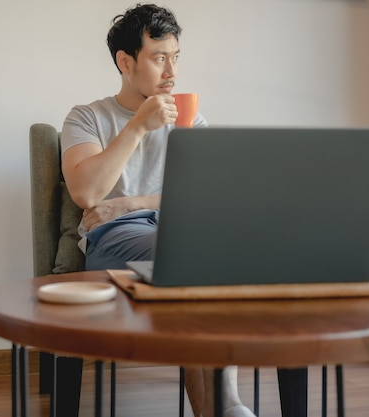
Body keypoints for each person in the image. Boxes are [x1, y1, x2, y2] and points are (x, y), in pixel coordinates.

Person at [60, 4, 256, 417]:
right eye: (160, 58)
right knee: (195, 257)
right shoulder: (87, 118)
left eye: (176, 57)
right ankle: (225, 405)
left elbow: (207, 195)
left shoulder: (189, 118)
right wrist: (137, 127)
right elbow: (86, 193)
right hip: (114, 238)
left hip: (179, 229)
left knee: (213, 252)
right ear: (126, 62)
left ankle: (222, 405)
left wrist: (132, 201)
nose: (172, 72)